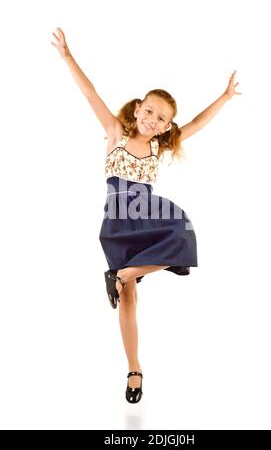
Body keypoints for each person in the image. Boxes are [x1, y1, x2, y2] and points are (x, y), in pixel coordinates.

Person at [51, 27, 242, 404]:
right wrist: (68, 56)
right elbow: (90, 94)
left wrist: (224, 97)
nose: (153, 120)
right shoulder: (114, 133)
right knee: (129, 300)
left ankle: (120, 274)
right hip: (121, 216)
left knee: (183, 233)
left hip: (149, 212)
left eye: (162, 119)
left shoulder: (160, 145)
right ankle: (134, 369)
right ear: (138, 109)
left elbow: (199, 123)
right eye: (150, 111)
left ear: (167, 126)